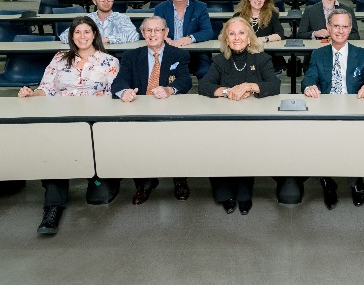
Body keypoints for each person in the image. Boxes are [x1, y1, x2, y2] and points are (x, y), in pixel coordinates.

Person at [17, 16, 119, 235]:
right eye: (77, 32)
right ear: (72, 36)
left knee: (97, 197)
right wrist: (32, 93)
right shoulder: (60, 58)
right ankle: (52, 208)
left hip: (94, 123)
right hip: (63, 119)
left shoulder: (109, 61)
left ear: (94, 35)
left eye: (87, 32)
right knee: (56, 158)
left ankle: (101, 178)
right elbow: (47, 87)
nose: (82, 37)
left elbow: (113, 96)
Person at [198, 17, 280, 215]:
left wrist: (251, 86)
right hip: (223, 120)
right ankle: (225, 195)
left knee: (246, 146)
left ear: (249, 38)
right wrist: (228, 92)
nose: (237, 38)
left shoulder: (261, 59)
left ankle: (244, 195)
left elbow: (275, 85)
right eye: (232, 34)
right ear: (226, 39)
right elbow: (204, 86)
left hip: (251, 121)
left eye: (241, 33)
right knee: (218, 147)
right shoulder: (219, 60)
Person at [301, 8, 364, 209]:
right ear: (328, 27)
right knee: (320, 140)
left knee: (352, 141)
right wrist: (309, 86)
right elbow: (309, 77)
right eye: (336, 26)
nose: (340, 30)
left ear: (351, 28)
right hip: (325, 108)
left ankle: (355, 180)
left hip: (353, 108)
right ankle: (327, 181)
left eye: (345, 26)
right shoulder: (318, 54)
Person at [111, 16, 193, 205]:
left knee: (176, 139)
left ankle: (179, 178)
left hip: (169, 108)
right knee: (138, 142)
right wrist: (125, 92)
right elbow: (120, 81)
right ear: (142, 33)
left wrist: (169, 89)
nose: (153, 34)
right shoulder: (131, 56)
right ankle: (145, 182)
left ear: (166, 33)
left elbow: (185, 80)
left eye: (157, 30)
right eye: (148, 30)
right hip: (140, 108)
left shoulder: (179, 55)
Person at [153, 0, 213, 78]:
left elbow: (208, 31)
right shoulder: (161, 8)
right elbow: (154, 30)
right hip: (168, 53)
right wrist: (163, 38)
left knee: (205, 72)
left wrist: (190, 39)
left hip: (195, 54)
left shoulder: (200, 7)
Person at [58, 0, 139, 45]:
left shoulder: (122, 18)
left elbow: (133, 36)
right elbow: (64, 36)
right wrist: (89, 39)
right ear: (94, 1)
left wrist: (107, 39)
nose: (106, 1)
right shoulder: (86, 20)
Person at [233, 0, 286, 71]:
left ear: (265, 0)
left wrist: (264, 39)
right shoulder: (238, 16)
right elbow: (223, 36)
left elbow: (280, 34)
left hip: (267, 58)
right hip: (243, 58)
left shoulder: (272, 15)